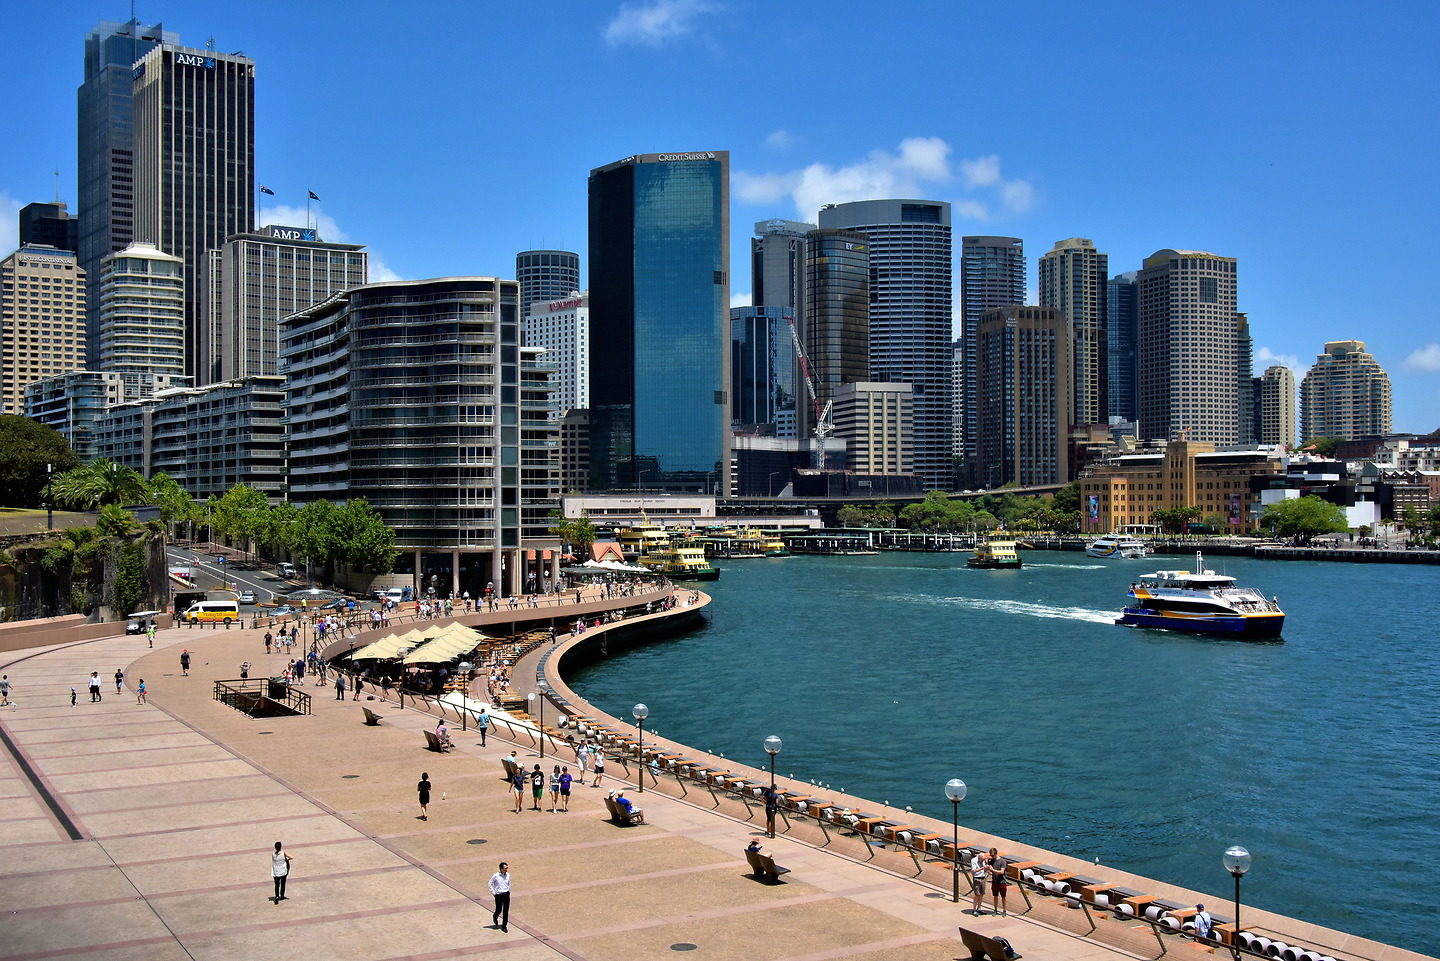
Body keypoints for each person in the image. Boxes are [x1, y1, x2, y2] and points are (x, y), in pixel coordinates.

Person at [488, 862, 511, 932]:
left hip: (506, 894)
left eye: (507, 868)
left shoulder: (508, 875)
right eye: (505, 868)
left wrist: (508, 891)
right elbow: (490, 884)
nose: (507, 869)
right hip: (498, 895)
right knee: (499, 909)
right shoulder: (496, 876)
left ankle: (504, 926)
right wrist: (494, 893)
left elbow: (509, 884)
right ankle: (495, 916)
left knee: (506, 911)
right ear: (501, 869)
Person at [988, 847, 1009, 915]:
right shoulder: (991, 861)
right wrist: (989, 871)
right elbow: (990, 871)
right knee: (995, 896)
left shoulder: (1002, 861)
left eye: (992, 855)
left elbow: (1002, 872)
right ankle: (995, 910)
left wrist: (993, 870)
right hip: (994, 881)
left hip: (1001, 881)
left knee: (1003, 897)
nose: (992, 857)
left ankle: (1004, 910)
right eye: (991, 855)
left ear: (996, 853)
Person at [969, 849, 989, 915]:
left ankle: (979, 908)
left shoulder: (983, 860)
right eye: (982, 860)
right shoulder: (974, 860)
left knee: (982, 894)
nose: (982, 861)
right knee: (977, 894)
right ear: (979, 858)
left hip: (983, 878)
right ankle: (974, 909)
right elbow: (974, 870)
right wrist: (982, 868)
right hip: (977, 879)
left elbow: (985, 870)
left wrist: (986, 864)